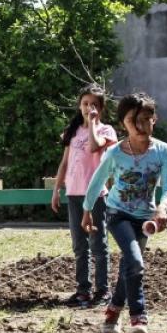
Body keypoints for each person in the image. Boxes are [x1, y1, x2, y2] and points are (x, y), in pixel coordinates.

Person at [82, 92, 167, 333]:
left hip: (146, 219)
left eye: (146, 119)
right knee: (135, 261)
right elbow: (97, 180)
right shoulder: (115, 153)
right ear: (122, 124)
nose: (140, 126)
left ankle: (113, 310)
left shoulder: (163, 152)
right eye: (133, 121)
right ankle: (139, 319)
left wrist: (163, 208)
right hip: (117, 214)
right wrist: (87, 209)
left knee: (129, 266)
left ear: (154, 120)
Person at [51, 84, 118, 308]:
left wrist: (93, 124)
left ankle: (103, 290)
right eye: (85, 104)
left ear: (101, 108)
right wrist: (56, 188)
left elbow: (93, 148)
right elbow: (64, 163)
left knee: (98, 242)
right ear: (79, 106)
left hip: (96, 195)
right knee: (79, 244)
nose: (89, 108)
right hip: (74, 194)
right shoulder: (72, 132)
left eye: (94, 105)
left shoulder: (106, 131)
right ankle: (83, 290)